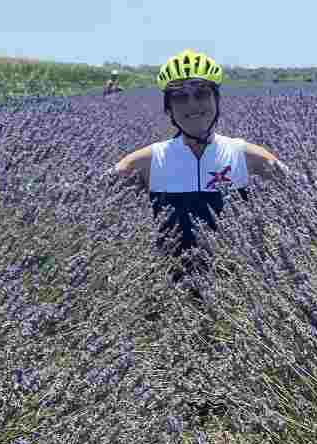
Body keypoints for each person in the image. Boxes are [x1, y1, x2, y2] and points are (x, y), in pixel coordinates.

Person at [108, 50, 288, 300]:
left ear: (216, 100)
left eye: (201, 94)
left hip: (237, 292)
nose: (192, 105)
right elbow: (91, 197)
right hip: (171, 292)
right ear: (169, 109)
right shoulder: (149, 159)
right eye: (180, 98)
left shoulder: (243, 153)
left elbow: (304, 193)